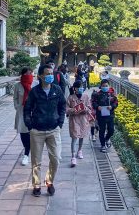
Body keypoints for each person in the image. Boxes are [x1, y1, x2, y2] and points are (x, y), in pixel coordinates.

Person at [23, 64, 66, 197]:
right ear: (41, 76)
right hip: (37, 130)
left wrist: (60, 122)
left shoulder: (57, 89)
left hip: (53, 129)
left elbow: (62, 105)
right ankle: (36, 185)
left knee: (56, 159)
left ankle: (49, 181)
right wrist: (29, 125)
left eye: (51, 73)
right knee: (36, 161)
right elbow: (27, 109)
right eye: (47, 74)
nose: (50, 76)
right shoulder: (34, 91)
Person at [66, 81, 92, 167]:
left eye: (82, 87)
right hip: (74, 120)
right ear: (75, 89)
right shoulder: (70, 97)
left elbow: (89, 108)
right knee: (74, 138)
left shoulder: (86, 97)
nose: (81, 88)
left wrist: (85, 109)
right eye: (79, 87)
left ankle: (79, 150)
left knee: (81, 136)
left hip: (83, 120)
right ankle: (73, 156)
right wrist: (74, 110)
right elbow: (66, 109)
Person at [13, 67, 33, 166]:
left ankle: (27, 152)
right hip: (21, 111)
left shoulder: (34, 84)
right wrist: (17, 106)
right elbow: (15, 98)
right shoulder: (18, 85)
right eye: (27, 73)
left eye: (31, 73)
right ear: (23, 74)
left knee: (31, 132)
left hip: (32, 112)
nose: (29, 75)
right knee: (23, 132)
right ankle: (26, 152)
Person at [92, 79, 118, 153]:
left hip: (110, 115)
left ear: (109, 86)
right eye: (103, 86)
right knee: (102, 131)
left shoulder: (112, 95)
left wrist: (112, 107)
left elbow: (116, 103)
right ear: (101, 86)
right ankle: (103, 145)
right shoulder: (97, 94)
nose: (105, 87)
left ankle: (107, 138)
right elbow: (93, 103)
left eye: (106, 86)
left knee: (111, 130)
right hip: (101, 116)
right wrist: (97, 107)